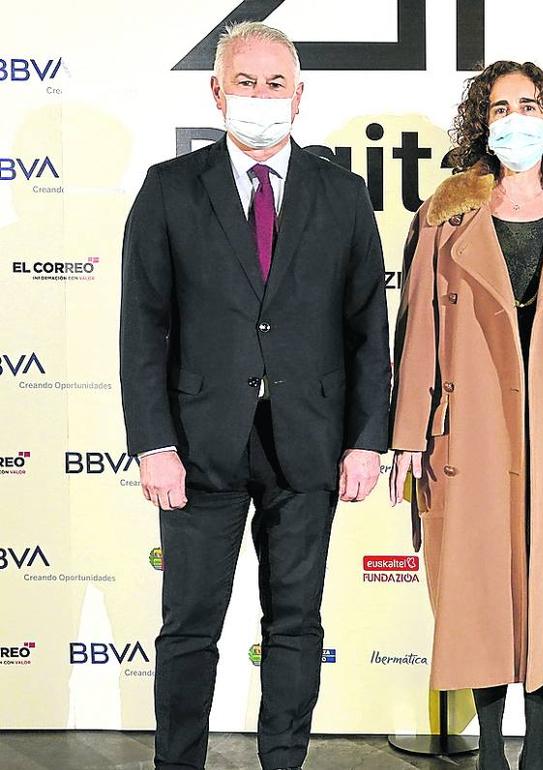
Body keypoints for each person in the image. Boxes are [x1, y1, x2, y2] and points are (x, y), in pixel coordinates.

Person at [119, 21, 390, 770]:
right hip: (198, 445)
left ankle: (283, 762)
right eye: (247, 82)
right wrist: (153, 443)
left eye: (276, 85)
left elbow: (370, 326)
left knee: (297, 622)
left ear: (299, 98)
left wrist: (368, 438)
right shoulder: (170, 190)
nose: (261, 98)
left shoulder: (342, 195)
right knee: (189, 626)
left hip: (309, 442)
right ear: (217, 91)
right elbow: (143, 327)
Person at [387, 60, 543, 770]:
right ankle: (493, 752)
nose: (515, 119)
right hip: (469, 432)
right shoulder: (445, 214)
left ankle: (536, 750)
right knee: (478, 592)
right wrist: (408, 436)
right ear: (483, 124)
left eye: (528, 105)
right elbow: (416, 337)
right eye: (500, 108)